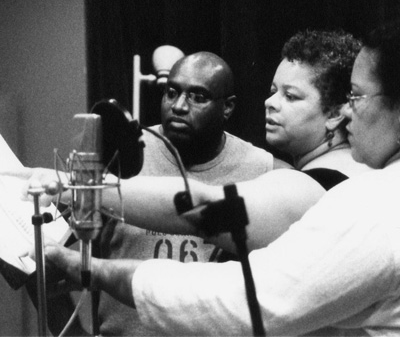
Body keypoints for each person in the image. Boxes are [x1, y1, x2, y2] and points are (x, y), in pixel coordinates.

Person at [29, 18, 400, 336]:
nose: (271, 103)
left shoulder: (352, 196)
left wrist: (74, 191)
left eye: (357, 97)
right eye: (273, 91)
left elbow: (202, 209)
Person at [96, 51, 290, 336]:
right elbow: (39, 255)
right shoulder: (120, 159)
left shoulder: (267, 172)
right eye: (171, 92)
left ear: (228, 107)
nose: (179, 106)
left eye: (198, 97)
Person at [265, 29, 371, 186]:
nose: (270, 102)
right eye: (273, 91)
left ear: (334, 114)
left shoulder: (315, 182)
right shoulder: (365, 169)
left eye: (290, 96)